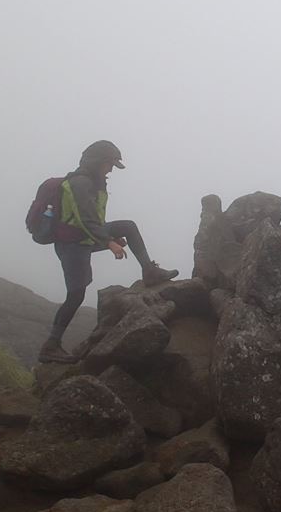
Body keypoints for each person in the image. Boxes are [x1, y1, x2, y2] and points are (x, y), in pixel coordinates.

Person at [39, 140, 178, 364]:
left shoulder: (95, 182)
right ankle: (51, 345)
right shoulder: (80, 183)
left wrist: (110, 238)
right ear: (97, 161)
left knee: (129, 226)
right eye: (109, 163)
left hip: (84, 237)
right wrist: (109, 242)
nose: (111, 169)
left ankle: (149, 271)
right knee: (76, 294)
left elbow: (93, 220)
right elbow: (85, 218)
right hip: (71, 244)